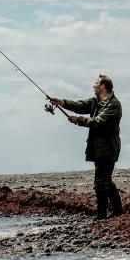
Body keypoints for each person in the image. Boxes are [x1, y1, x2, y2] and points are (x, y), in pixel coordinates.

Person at [51, 74, 123, 220]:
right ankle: (118, 211)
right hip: (98, 147)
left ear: (103, 86)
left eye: (96, 83)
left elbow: (99, 122)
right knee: (105, 180)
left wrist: (79, 120)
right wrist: (62, 102)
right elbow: (80, 105)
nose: (93, 86)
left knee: (101, 183)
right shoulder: (96, 101)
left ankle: (101, 215)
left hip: (108, 148)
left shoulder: (114, 104)